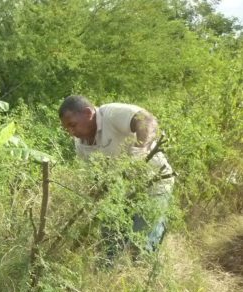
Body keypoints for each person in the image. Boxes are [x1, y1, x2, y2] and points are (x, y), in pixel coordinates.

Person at [58, 95, 174, 254]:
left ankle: (143, 270)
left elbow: (146, 120)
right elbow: (98, 178)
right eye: (67, 129)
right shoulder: (81, 145)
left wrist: (140, 151)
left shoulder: (111, 113)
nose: (71, 132)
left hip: (153, 183)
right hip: (121, 192)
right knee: (109, 246)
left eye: (73, 125)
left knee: (141, 246)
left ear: (87, 113)